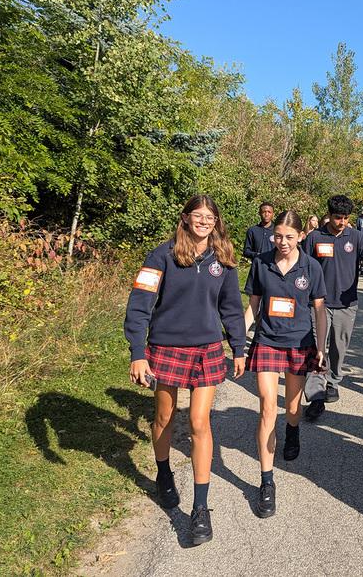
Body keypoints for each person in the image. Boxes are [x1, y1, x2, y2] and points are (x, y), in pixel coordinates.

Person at [124, 194, 246, 546]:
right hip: (165, 348)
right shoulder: (161, 255)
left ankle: (201, 508)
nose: (203, 221)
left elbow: (232, 308)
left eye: (210, 217)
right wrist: (138, 352)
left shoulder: (223, 260)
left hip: (207, 350)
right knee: (164, 417)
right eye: (197, 215)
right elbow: (139, 305)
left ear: (216, 222)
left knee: (198, 422)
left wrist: (238, 347)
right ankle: (164, 474)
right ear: (186, 218)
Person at [243, 210, 328, 518]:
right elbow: (253, 305)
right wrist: (240, 338)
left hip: (299, 343)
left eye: (289, 237)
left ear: (300, 236)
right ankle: (267, 482)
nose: (283, 242)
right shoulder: (261, 262)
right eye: (278, 236)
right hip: (266, 341)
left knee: (292, 407)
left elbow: (319, 310)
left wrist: (321, 347)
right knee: (267, 406)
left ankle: (292, 432)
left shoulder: (312, 267)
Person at [302, 195, 363, 420]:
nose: (342, 222)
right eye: (338, 218)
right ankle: (316, 396)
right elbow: (304, 266)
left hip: (347, 304)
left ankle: (334, 380)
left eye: (346, 218)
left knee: (339, 346)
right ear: (329, 214)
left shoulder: (355, 236)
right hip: (318, 303)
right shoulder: (315, 236)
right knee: (317, 346)